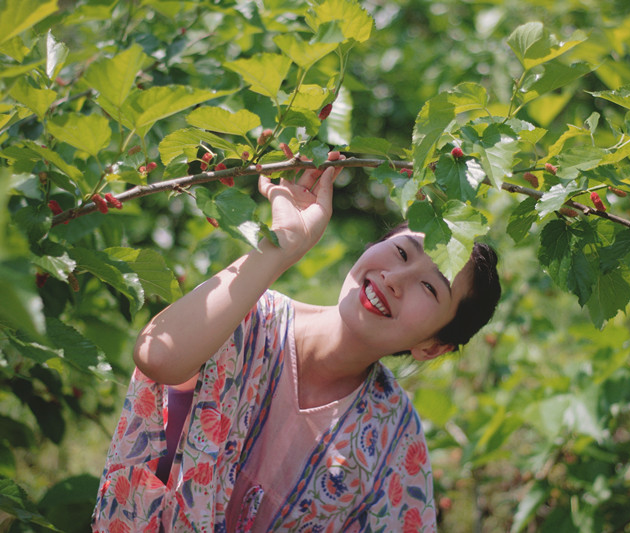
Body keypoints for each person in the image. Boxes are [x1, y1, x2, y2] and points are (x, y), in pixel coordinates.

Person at [91, 152, 501, 532]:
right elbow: (156, 355)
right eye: (400, 252)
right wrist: (280, 245)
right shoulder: (248, 315)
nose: (394, 280)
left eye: (430, 288)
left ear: (433, 346)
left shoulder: (394, 441)